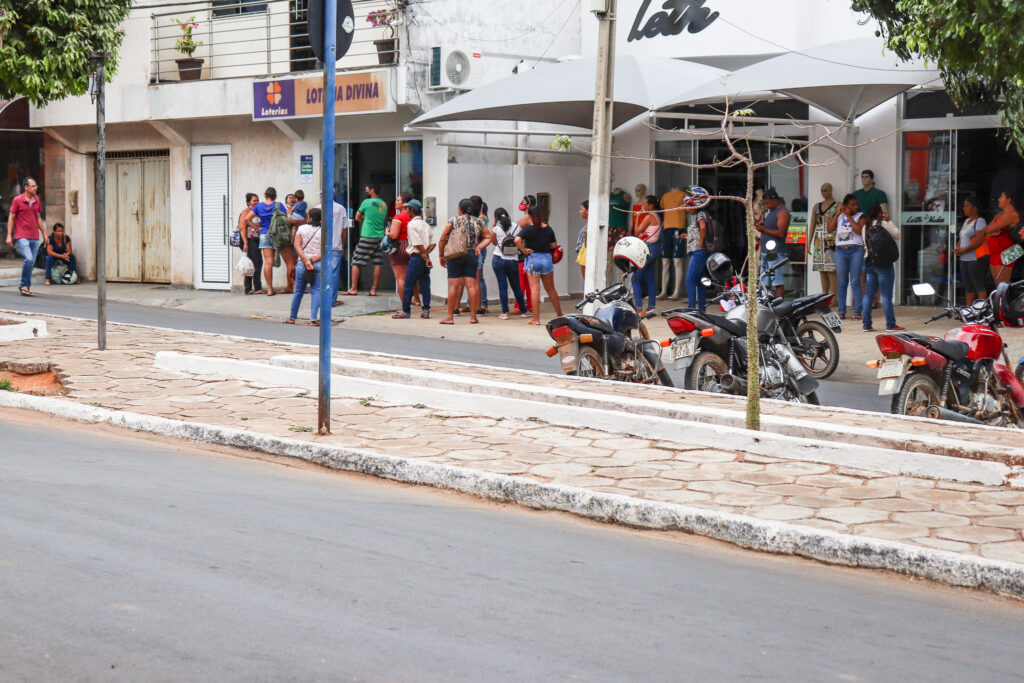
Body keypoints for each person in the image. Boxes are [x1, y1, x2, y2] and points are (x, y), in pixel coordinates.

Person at [439, 198, 491, 324]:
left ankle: (450, 317)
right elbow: (488, 237)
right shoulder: (478, 221)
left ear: (459, 209)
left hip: (455, 254)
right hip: (472, 255)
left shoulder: (453, 220)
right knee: (472, 285)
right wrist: (479, 246)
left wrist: (441, 255)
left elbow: (442, 239)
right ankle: (473, 317)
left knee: (454, 286)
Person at [516, 205, 564, 326]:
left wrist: (524, 250)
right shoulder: (548, 229)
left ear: (530, 216)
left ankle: (536, 319)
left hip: (533, 259)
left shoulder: (527, 229)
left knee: (535, 289)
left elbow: (517, 240)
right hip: (546, 259)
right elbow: (554, 245)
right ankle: (560, 315)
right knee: (551, 289)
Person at [861, 205, 904, 332]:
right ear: (880, 214)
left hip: (869, 263)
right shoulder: (884, 224)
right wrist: (889, 220)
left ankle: (866, 325)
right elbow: (897, 235)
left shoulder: (866, 226)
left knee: (868, 294)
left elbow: (865, 244)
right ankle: (890, 325)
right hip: (884, 265)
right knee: (886, 296)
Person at [5, 177, 46, 297]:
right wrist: (9, 235)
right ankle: (23, 285)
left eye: (36, 186)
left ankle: (26, 287)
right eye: (33, 186)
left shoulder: (37, 200)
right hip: (21, 235)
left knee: (31, 261)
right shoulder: (17, 200)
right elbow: (11, 218)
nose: (35, 188)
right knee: (28, 258)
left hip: (34, 236)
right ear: (26, 187)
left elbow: (38, 217)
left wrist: (43, 233)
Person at [392, 200, 433, 319]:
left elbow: (417, 242)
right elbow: (433, 243)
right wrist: (427, 254)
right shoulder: (425, 224)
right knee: (425, 285)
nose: (406, 212)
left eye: (407, 209)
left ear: (412, 210)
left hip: (416, 257)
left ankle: (405, 311)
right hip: (426, 258)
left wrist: (423, 253)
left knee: (408, 284)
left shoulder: (411, 224)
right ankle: (425, 310)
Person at [828, 193, 866, 320]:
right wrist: (838, 214)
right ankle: (841, 311)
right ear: (845, 206)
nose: (856, 207)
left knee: (855, 281)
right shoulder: (839, 216)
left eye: (856, 204)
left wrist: (849, 216)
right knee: (842, 282)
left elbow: (859, 230)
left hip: (856, 250)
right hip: (841, 251)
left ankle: (857, 311)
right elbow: (829, 229)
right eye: (852, 205)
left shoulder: (861, 216)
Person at [345, 184, 387, 296]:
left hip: (368, 236)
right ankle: (373, 290)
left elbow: (357, 217)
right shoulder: (383, 204)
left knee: (355, 261)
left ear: (372, 190)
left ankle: (353, 288)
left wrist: (365, 218)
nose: (366, 190)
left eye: (367, 188)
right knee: (377, 262)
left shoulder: (366, 202)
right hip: (380, 236)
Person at [284, 207, 323, 326]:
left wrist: (305, 260)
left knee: (298, 292)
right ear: (321, 219)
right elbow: (324, 251)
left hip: (302, 264)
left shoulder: (301, 228)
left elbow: (297, 245)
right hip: (317, 264)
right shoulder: (324, 231)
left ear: (309, 218)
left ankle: (292, 318)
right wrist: (312, 260)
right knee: (316, 291)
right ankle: (313, 319)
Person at [492, 207, 529, 319]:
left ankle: (504, 313)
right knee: (516, 286)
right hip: (513, 260)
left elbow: (494, 243)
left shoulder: (496, 228)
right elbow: (520, 241)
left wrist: (493, 226)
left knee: (502, 287)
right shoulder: (517, 227)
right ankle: (524, 311)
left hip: (498, 259)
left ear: (496, 218)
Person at [251, 187, 287, 297]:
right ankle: (291, 285)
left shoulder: (259, 206)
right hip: (277, 234)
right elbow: (285, 219)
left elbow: (246, 219)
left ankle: (270, 289)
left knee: (268, 262)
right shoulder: (279, 205)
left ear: (265, 195)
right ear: (275, 195)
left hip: (264, 234)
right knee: (287, 259)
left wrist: (257, 229)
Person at [954, 194, 989, 304]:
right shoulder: (966, 221)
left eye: (967, 206)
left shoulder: (980, 221)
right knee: (968, 285)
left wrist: (965, 249)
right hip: (964, 258)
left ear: (974, 208)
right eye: (964, 206)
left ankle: (981, 309)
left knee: (978, 284)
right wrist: (958, 247)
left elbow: (979, 240)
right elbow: (963, 236)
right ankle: (969, 310)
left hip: (975, 258)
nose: (964, 208)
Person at [317, 194, 349, 309]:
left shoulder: (317, 208)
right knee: (333, 274)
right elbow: (344, 230)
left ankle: (320, 300)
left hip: (321, 247)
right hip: (336, 245)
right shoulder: (341, 208)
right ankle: (331, 300)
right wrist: (342, 246)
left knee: (321, 273)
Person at [756, 188, 790, 299]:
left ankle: (779, 305)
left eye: (768, 203)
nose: (767, 206)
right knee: (764, 281)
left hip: (775, 252)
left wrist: (763, 230)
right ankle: (765, 304)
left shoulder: (783, 212)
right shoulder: (773, 212)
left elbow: (781, 233)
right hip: (767, 252)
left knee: (777, 281)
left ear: (775, 200)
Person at [982, 189, 1020, 284]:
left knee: (1003, 285)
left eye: (1002, 197)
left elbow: (990, 229)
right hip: (996, 252)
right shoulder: (999, 214)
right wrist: (991, 231)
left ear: (1009, 199)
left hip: (1007, 251)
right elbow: (986, 230)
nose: (999, 199)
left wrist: (991, 230)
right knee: (997, 285)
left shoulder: (1011, 214)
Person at [809, 183, 838, 304]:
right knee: (822, 269)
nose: (823, 193)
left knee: (831, 269)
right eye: (821, 190)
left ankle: (834, 297)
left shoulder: (837, 205)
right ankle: (824, 296)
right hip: (819, 239)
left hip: (831, 239)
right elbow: (812, 225)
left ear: (831, 190)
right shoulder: (816, 206)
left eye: (825, 190)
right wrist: (808, 243)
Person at [632, 195, 662, 314]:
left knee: (635, 278)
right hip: (655, 248)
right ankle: (651, 307)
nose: (643, 206)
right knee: (650, 279)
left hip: (648, 249)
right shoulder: (658, 216)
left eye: (645, 204)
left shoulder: (649, 216)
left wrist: (638, 217)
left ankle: (638, 308)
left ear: (651, 205)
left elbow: (637, 231)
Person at [659, 185, 688, 299]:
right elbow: (662, 207)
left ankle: (676, 291)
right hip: (666, 229)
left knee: (677, 261)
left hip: (678, 228)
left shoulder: (683, 195)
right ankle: (664, 291)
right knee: (665, 261)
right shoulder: (665, 196)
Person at [684, 203, 711, 311]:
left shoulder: (700, 214)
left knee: (690, 280)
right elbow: (699, 231)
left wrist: (700, 243)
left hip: (699, 252)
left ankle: (691, 308)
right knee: (701, 281)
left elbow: (703, 228)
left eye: (688, 205)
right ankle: (701, 309)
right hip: (700, 251)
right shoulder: (699, 215)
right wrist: (688, 237)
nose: (686, 208)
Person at [388, 191, 413, 305]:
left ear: (404, 203)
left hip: (401, 246)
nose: (395, 203)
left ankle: (405, 306)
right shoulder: (414, 216)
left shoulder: (398, 216)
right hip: (413, 246)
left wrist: (387, 232)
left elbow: (394, 235)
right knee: (411, 277)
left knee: (401, 278)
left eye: (398, 200)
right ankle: (416, 300)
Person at [513, 194, 537, 314]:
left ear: (528, 205)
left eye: (523, 202)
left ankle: (518, 306)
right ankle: (530, 305)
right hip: (534, 250)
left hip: (524, 251)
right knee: (529, 280)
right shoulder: (536, 216)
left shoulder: (527, 217)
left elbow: (514, 228)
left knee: (521, 279)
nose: (521, 204)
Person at [237, 193, 264, 294]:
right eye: (254, 201)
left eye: (257, 200)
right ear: (248, 202)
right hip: (248, 240)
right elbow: (242, 228)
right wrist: (245, 243)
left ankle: (252, 288)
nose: (256, 202)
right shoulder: (245, 212)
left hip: (256, 240)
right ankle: (253, 288)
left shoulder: (256, 212)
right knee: (255, 263)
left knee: (256, 263)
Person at [575, 200, 589, 279]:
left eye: (582, 209)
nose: (580, 211)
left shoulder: (589, 225)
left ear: (588, 211)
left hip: (586, 255)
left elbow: (587, 234)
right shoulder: (587, 224)